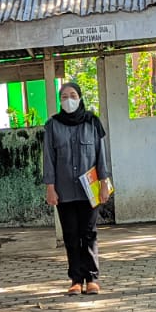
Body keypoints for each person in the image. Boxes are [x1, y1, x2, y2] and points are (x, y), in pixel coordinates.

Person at [42, 80, 111, 295]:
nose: (69, 100)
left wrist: (104, 184)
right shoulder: (52, 125)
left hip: (89, 190)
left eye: (72, 96)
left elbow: (101, 156)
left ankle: (92, 279)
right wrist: (50, 188)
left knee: (89, 233)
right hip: (64, 190)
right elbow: (48, 158)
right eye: (64, 97)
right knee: (71, 235)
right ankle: (75, 280)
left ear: (80, 98)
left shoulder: (92, 122)